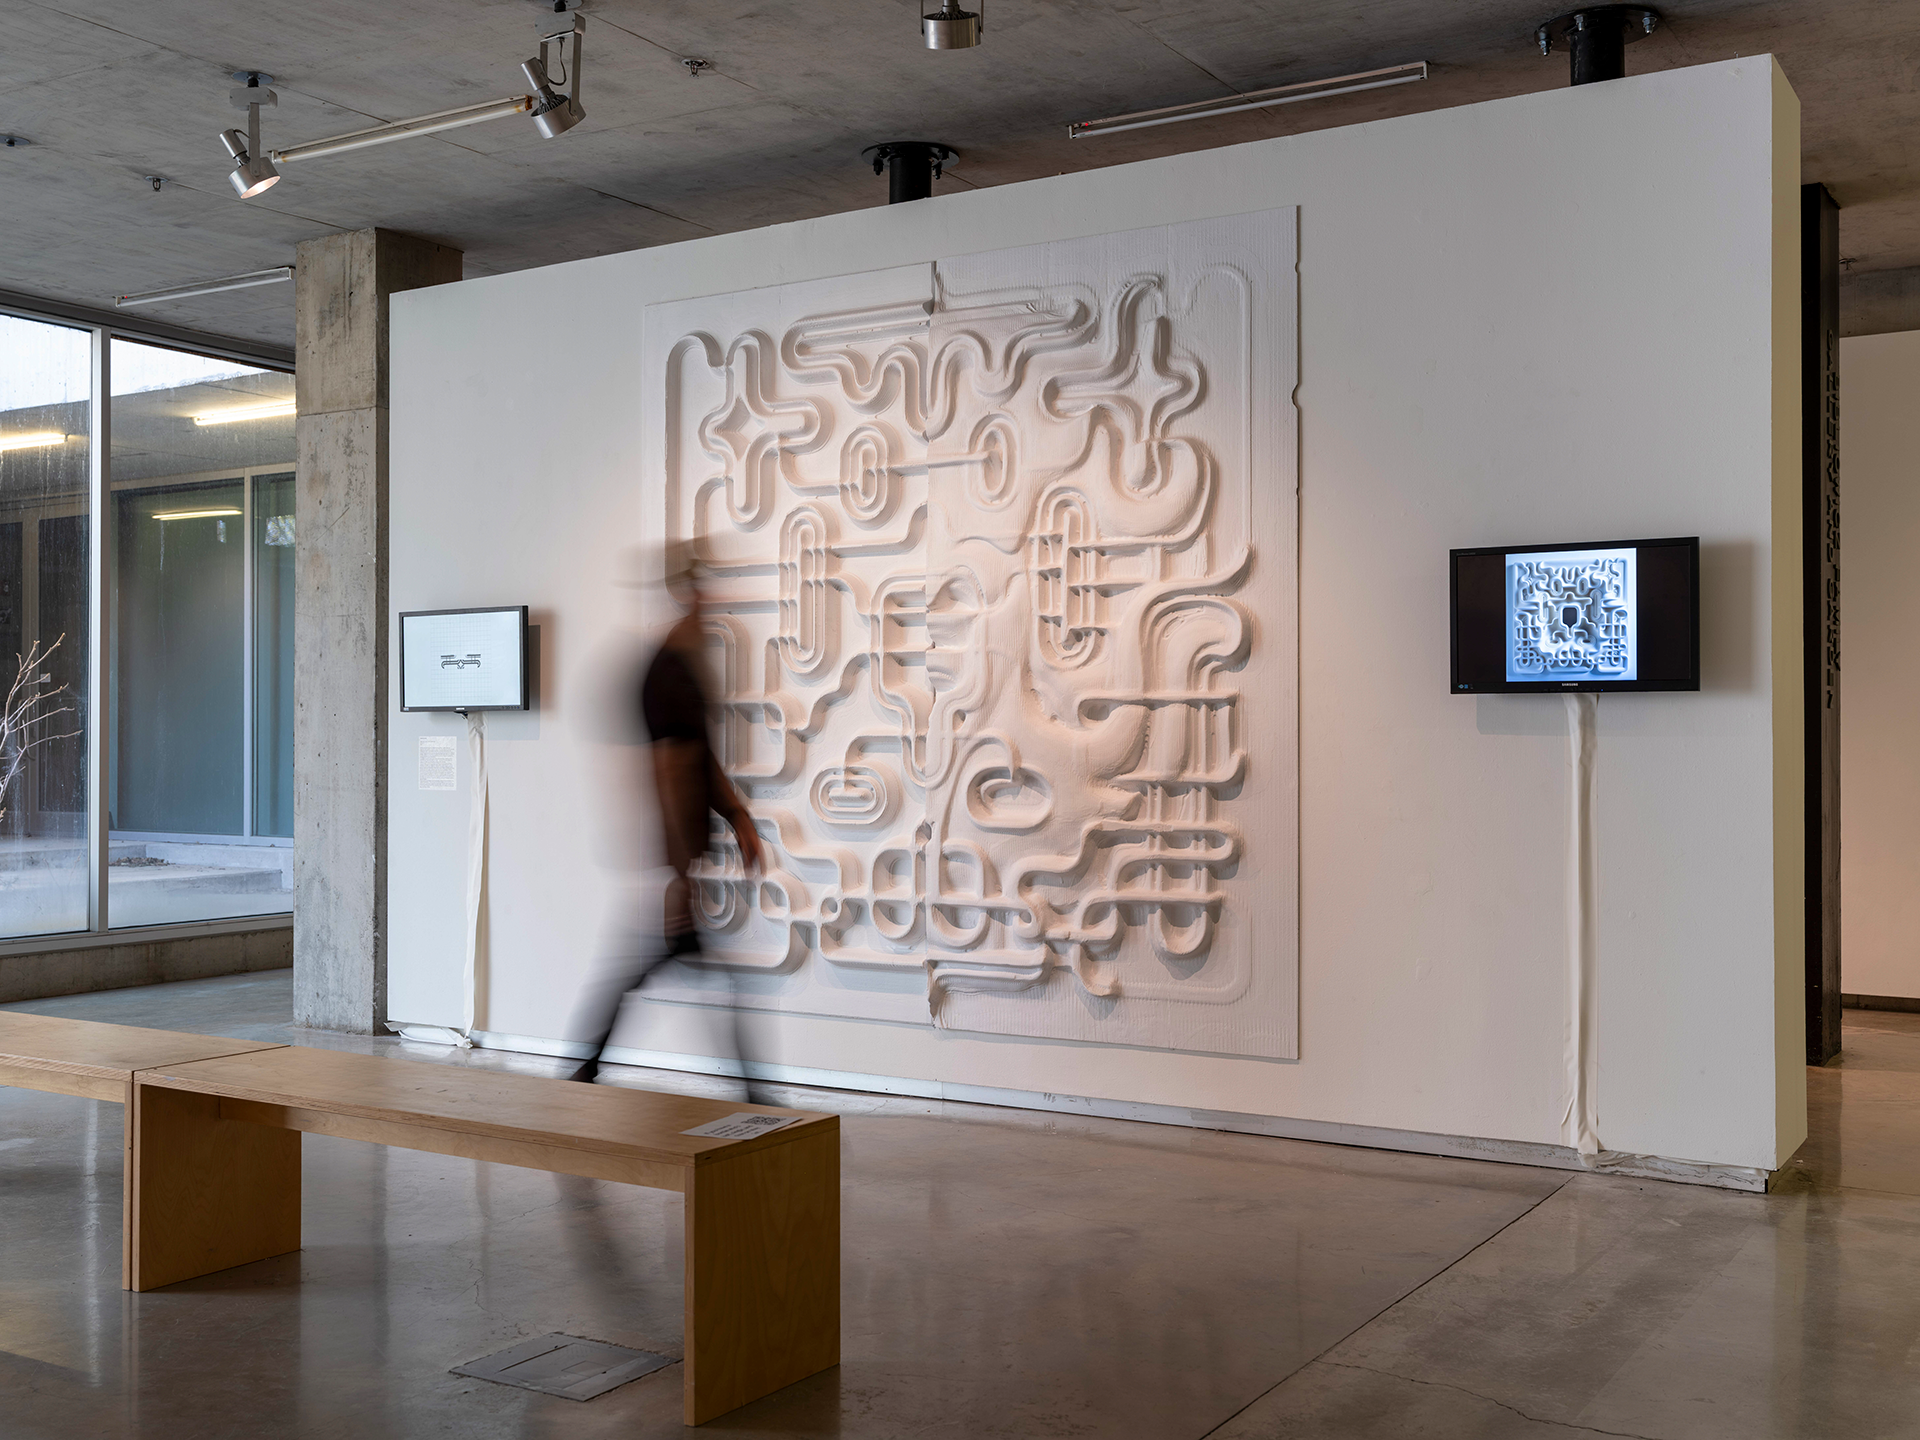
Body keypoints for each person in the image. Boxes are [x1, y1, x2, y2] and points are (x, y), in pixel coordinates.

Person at [568, 548, 763, 1084]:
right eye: (700, 586)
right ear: (686, 592)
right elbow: (672, 770)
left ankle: (587, 1069)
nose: (709, 596)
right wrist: (683, 873)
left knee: (655, 972)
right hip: (673, 858)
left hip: (677, 858)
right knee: (681, 976)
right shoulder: (669, 672)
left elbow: (699, 757)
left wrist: (738, 817)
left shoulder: (683, 661)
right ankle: (754, 1095)